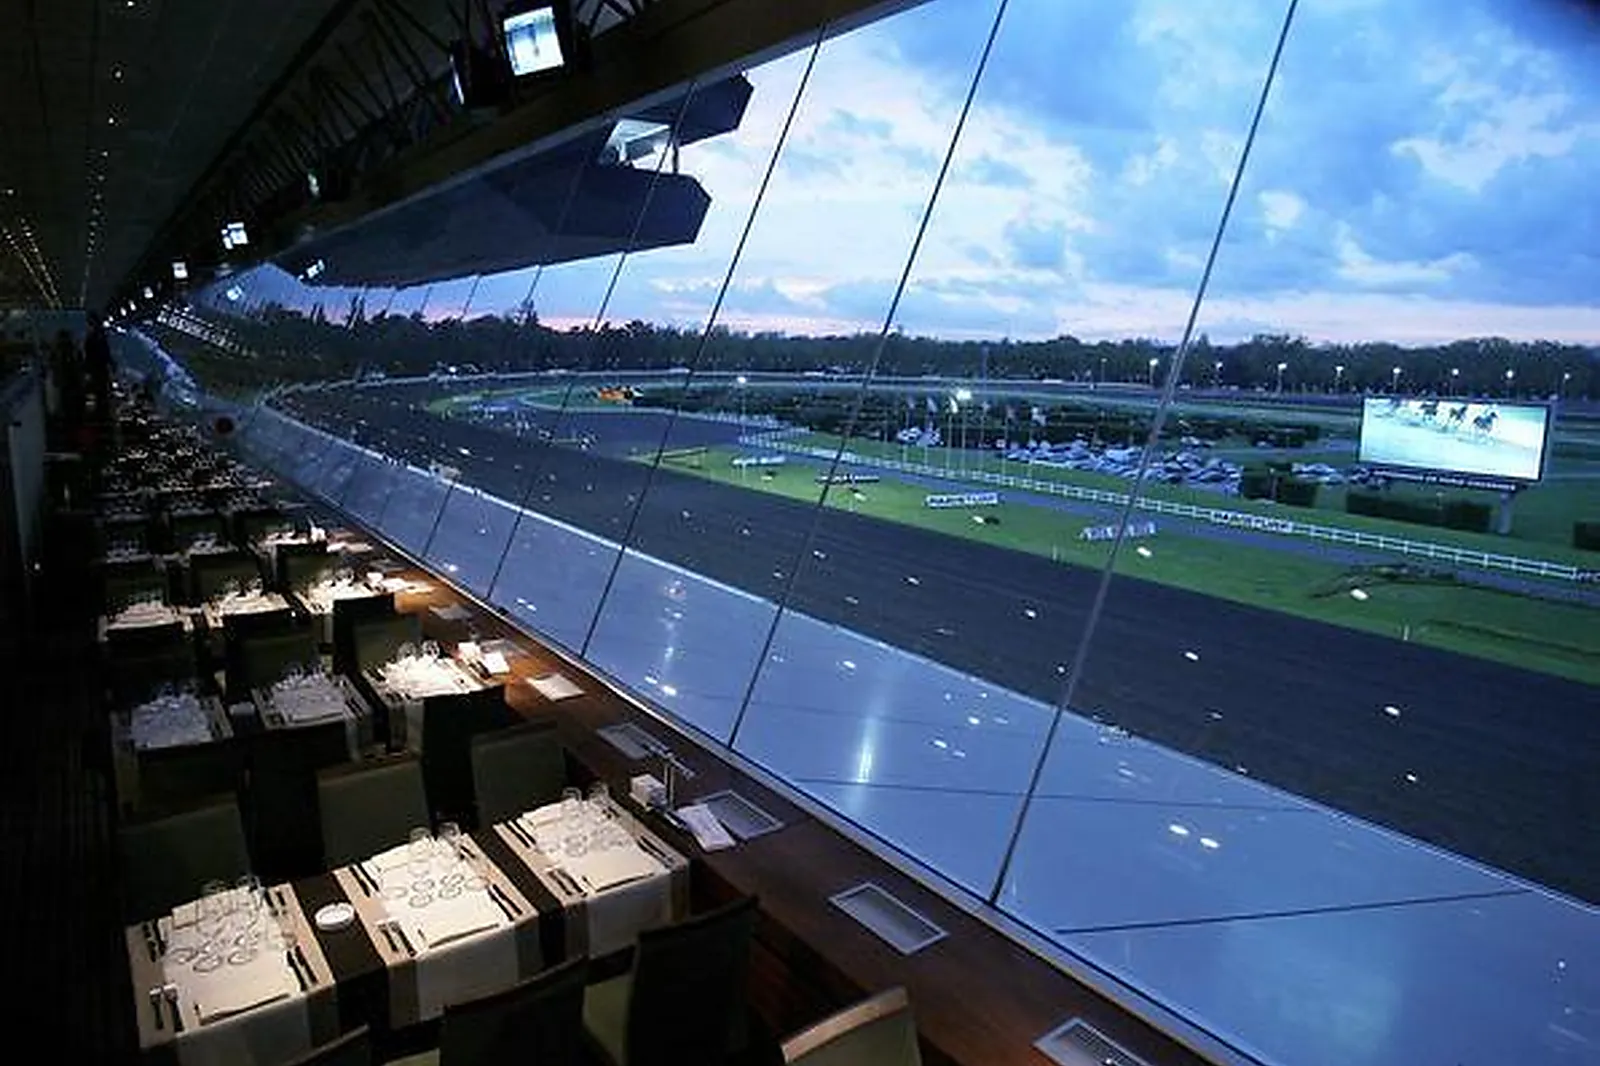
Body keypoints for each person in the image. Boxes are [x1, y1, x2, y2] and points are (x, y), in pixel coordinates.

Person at [84, 318, 113, 420]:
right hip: (100, 369)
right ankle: (103, 413)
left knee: (98, 391)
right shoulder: (100, 337)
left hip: (96, 369)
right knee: (102, 391)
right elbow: (106, 353)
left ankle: (100, 413)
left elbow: (89, 356)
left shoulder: (91, 338)